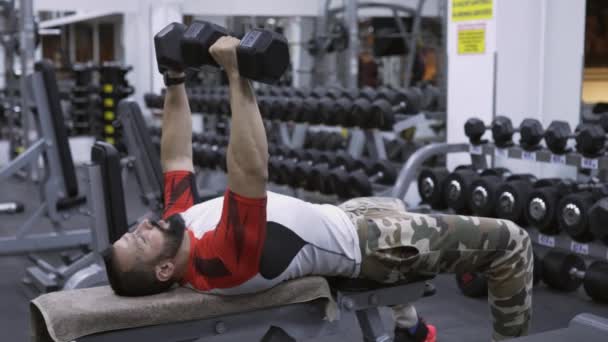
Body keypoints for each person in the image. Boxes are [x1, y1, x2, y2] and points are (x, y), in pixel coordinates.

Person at [103, 36, 533, 342]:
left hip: (350, 213)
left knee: (393, 201)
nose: (140, 225)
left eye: (130, 231)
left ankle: (412, 330)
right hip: (373, 245)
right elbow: (249, 169)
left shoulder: (176, 227)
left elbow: (177, 158)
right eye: (136, 240)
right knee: (513, 242)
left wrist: (175, 79)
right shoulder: (220, 260)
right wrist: (237, 76)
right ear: (163, 271)